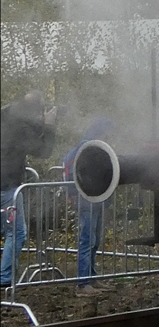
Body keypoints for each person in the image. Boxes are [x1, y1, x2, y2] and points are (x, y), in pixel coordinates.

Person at [1, 92, 56, 288]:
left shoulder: (7, 115)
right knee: (16, 233)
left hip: (6, 184)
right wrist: (49, 125)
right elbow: (44, 151)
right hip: (7, 187)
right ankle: (5, 278)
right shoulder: (19, 126)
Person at [63, 119, 115, 294]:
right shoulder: (86, 147)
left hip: (97, 199)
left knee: (94, 241)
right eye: (108, 132)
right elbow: (72, 169)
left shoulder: (95, 147)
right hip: (87, 200)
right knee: (87, 240)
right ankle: (83, 283)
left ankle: (91, 278)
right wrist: (75, 193)